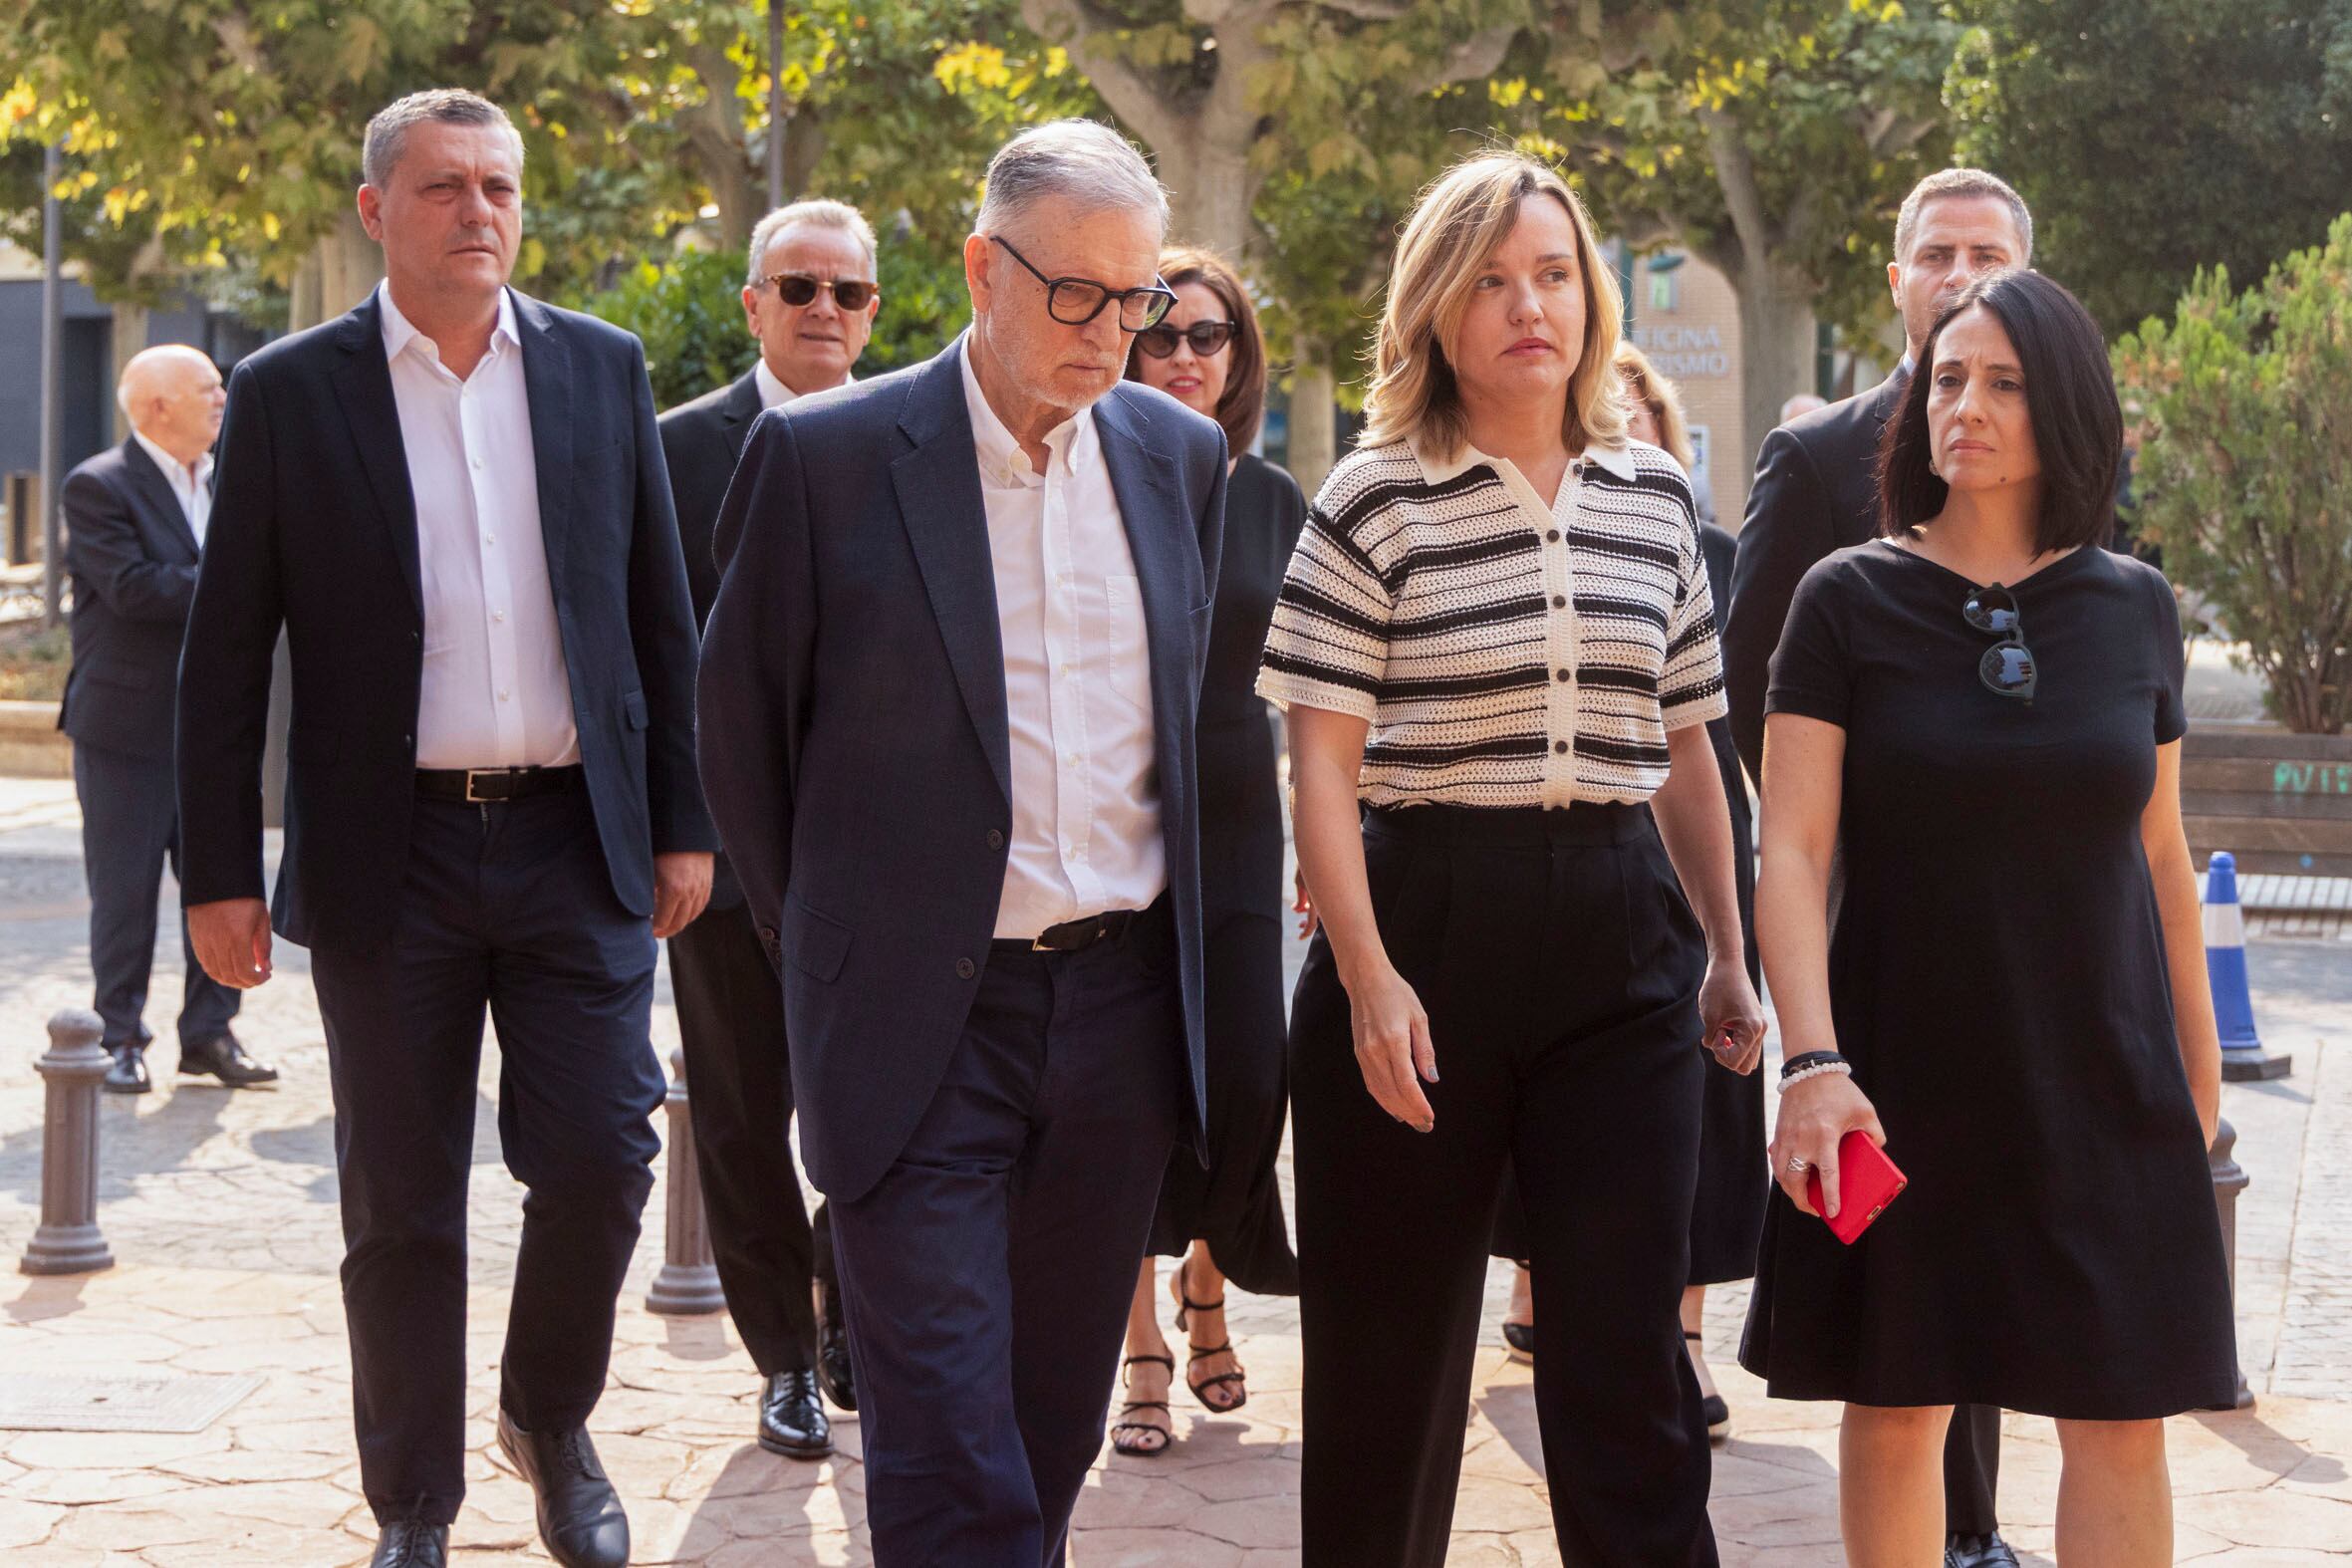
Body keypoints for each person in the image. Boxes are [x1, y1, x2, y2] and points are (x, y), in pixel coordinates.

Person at [176, 89, 713, 1568]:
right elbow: (225, 654)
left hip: (573, 839)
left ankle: (549, 1413)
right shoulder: (290, 392)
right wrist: (218, 877)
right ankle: (413, 1500)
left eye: (498, 186)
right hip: (385, 856)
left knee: (606, 1155)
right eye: (442, 187)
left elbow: (657, 621)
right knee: (401, 1201)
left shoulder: (601, 370)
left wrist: (683, 817)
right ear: (373, 212)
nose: (478, 210)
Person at [694, 120, 1226, 1566]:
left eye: (1138, 302)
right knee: (943, 1435)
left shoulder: (1180, 460)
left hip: (1117, 1016)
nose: (1113, 333)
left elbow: (1201, 742)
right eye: (1077, 295)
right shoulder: (826, 457)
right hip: (914, 1020)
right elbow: (738, 733)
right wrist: (840, 940)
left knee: (1046, 1429)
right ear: (983, 267)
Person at [1259, 151, 1764, 1568]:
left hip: (1623, 943)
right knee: (1387, 1361)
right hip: (1420, 922)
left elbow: (1687, 745)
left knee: (1622, 1360)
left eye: (1550, 273)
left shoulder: (1655, 497)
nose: (1524, 306)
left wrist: (1727, 953)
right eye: (1486, 280)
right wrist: (1363, 979)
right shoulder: (1372, 500)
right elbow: (1318, 765)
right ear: (1434, 308)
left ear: (1591, 296)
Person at [1739, 266, 2239, 1567]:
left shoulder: (2133, 606)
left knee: (2120, 1417)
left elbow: (2164, 859)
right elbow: (1788, 849)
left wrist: (2196, 1081)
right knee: (1899, 1404)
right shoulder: (1844, 599)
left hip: (2106, 1076)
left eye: (2004, 381)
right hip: (1899, 1077)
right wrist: (1812, 1060)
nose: (1965, 403)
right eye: (1947, 376)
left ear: (2065, 407)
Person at [1722, 165, 2032, 1568]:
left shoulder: (2062, 452)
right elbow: (1743, 674)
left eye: (1988, 251)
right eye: (1936, 252)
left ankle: (1970, 1523)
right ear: (1895, 281)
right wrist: (1820, 832)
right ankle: (1935, 1524)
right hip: (1864, 900)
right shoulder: (1818, 456)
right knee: (1904, 1211)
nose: (1959, 270)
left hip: (2024, 909)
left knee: (1999, 1201)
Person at [1494, 343, 1765, 1444]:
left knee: (1701, 1102)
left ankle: (1685, 1332)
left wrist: (1732, 940)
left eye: (1642, 414)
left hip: (1683, 836)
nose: (1627, 432)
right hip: (1562, 852)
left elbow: (1708, 728)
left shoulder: (1701, 546)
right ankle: (1537, 1288)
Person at [657, 196, 882, 1461]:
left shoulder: (911, 436)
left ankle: (852, 1313)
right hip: (726, 854)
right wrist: (671, 834)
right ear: (753, 303)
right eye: (797, 288)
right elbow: (654, 654)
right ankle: (783, 1359)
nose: (822, 311)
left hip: (880, 856)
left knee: (881, 1097)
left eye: (846, 292)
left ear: (873, 311)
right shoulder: (679, 449)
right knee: (741, 1111)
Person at [1109, 246, 1303, 1457]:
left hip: (1237, 809)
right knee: (1121, 1093)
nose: (1185, 355)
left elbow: (1336, 695)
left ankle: (1209, 1280)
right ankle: (1140, 1345)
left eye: (1208, 335)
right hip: (1113, 819)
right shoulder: (1086, 475)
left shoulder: (1277, 498)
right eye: (1161, 333)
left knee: (1245, 1080)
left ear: (1239, 356)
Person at [59, 346, 276, 1097]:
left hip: (217, 731)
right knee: (123, 894)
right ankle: (117, 1036)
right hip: (126, 732)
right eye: (208, 388)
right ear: (157, 407)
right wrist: (242, 579)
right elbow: (131, 589)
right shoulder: (98, 485)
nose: (223, 398)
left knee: (226, 884)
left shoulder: (233, 481)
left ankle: (209, 1033)